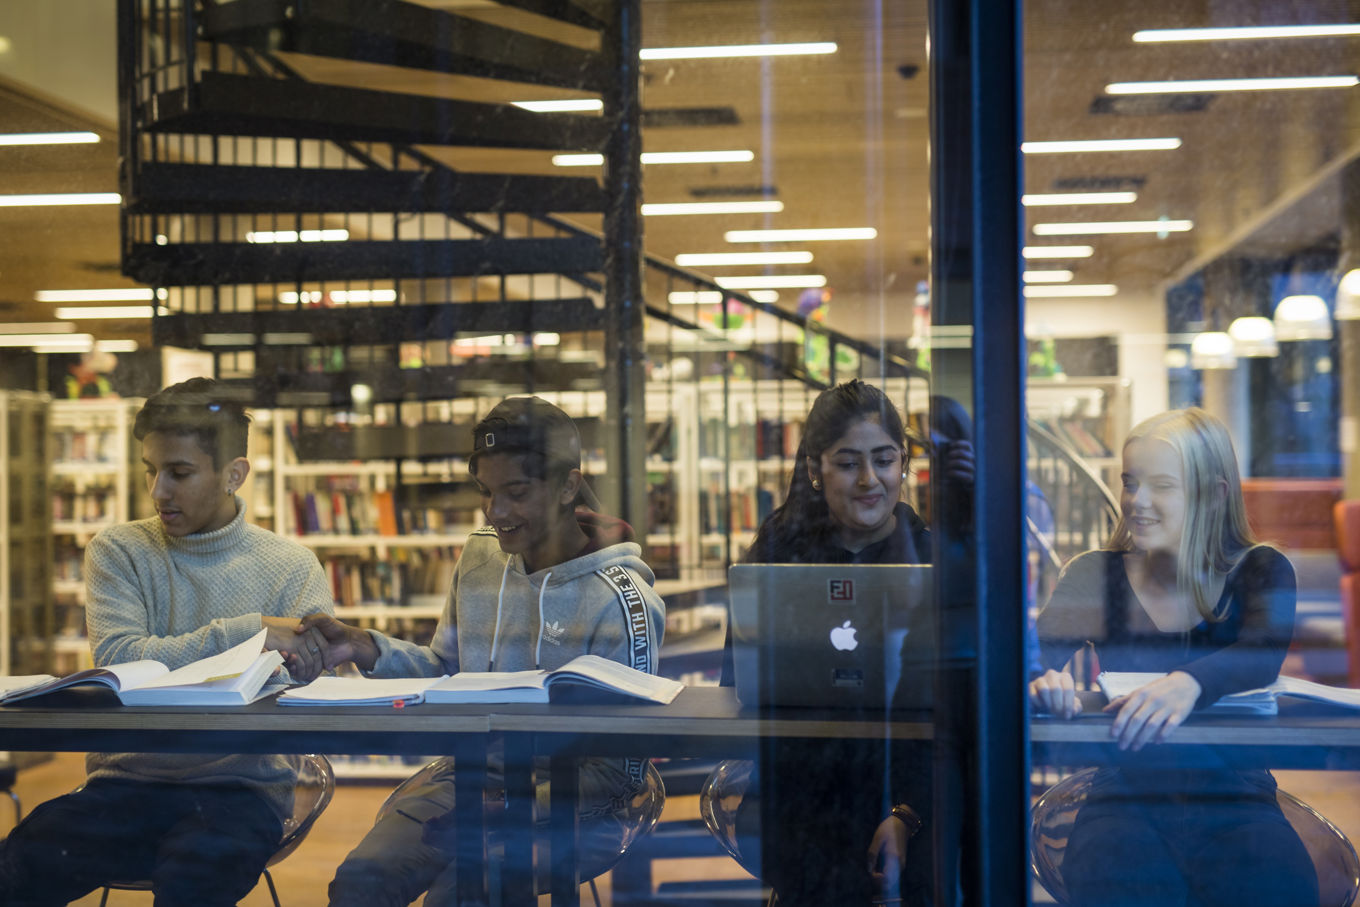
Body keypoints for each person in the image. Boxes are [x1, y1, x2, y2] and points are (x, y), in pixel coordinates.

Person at [299, 395, 666, 907]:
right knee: (362, 880)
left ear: (567, 485)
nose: (497, 512)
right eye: (486, 493)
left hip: (577, 805)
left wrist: (514, 804)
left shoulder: (623, 600)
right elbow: (446, 675)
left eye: (516, 492)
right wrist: (368, 648)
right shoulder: (479, 558)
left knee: (466, 891)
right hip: (469, 781)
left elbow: (619, 774)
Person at [0, 377, 334, 906]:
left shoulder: (291, 567)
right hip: (124, 785)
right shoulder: (119, 551)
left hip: (241, 791)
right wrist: (253, 635)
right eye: (150, 472)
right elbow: (120, 660)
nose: (158, 492)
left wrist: (176, 653)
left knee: (194, 882)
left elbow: (311, 681)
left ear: (234, 475)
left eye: (179, 473)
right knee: (15, 871)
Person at [1029, 407, 1317, 907]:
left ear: (1215, 493)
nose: (1136, 502)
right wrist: (1039, 679)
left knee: (1277, 882)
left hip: (1239, 800)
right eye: (1130, 482)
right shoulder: (1095, 574)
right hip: (1122, 799)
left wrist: (1186, 683)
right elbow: (1030, 655)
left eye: (1161, 485)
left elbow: (1260, 653)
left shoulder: (1262, 569)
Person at [717, 380, 973, 907]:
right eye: (847, 462)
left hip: (911, 778)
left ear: (903, 463)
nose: (869, 480)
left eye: (884, 460)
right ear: (814, 468)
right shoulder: (777, 556)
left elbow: (956, 718)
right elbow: (738, 681)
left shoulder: (933, 558)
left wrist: (905, 810)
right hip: (802, 774)